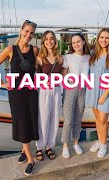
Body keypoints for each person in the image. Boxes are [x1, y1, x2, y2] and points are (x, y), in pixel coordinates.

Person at [0, 20, 39, 176]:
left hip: (31, 92)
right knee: (21, 122)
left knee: (30, 121)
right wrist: (1, 83)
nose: (28, 35)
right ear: (21, 30)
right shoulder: (10, 49)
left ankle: (24, 151)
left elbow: (37, 69)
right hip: (16, 94)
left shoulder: (35, 50)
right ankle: (31, 160)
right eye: (26, 31)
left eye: (31, 33)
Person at [85, 28, 109, 158]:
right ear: (98, 38)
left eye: (107, 38)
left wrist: (105, 94)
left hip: (106, 91)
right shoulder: (93, 53)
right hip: (93, 90)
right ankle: (99, 142)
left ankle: (104, 145)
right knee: (97, 119)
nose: (104, 40)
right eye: (102, 37)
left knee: (103, 119)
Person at [35, 30, 63, 161]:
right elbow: (33, 76)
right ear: (43, 42)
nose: (49, 41)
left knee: (54, 118)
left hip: (57, 91)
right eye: (46, 39)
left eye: (51, 38)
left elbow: (63, 76)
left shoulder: (60, 58)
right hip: (44, 91)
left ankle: (49, 146)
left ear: (55, 41)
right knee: (43, 119)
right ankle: (39, 147)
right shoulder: (40, 58)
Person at [61, 33, 90, 158]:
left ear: (83, 42)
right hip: (70, 88)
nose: (76, 44)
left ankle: (76, 142)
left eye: (78, 41)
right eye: (73, 43)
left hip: (83, 88)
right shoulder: (68, 57)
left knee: (78, 119)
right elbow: (63, 75)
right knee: (68, 120)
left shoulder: (89, 57)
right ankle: (65, 146)